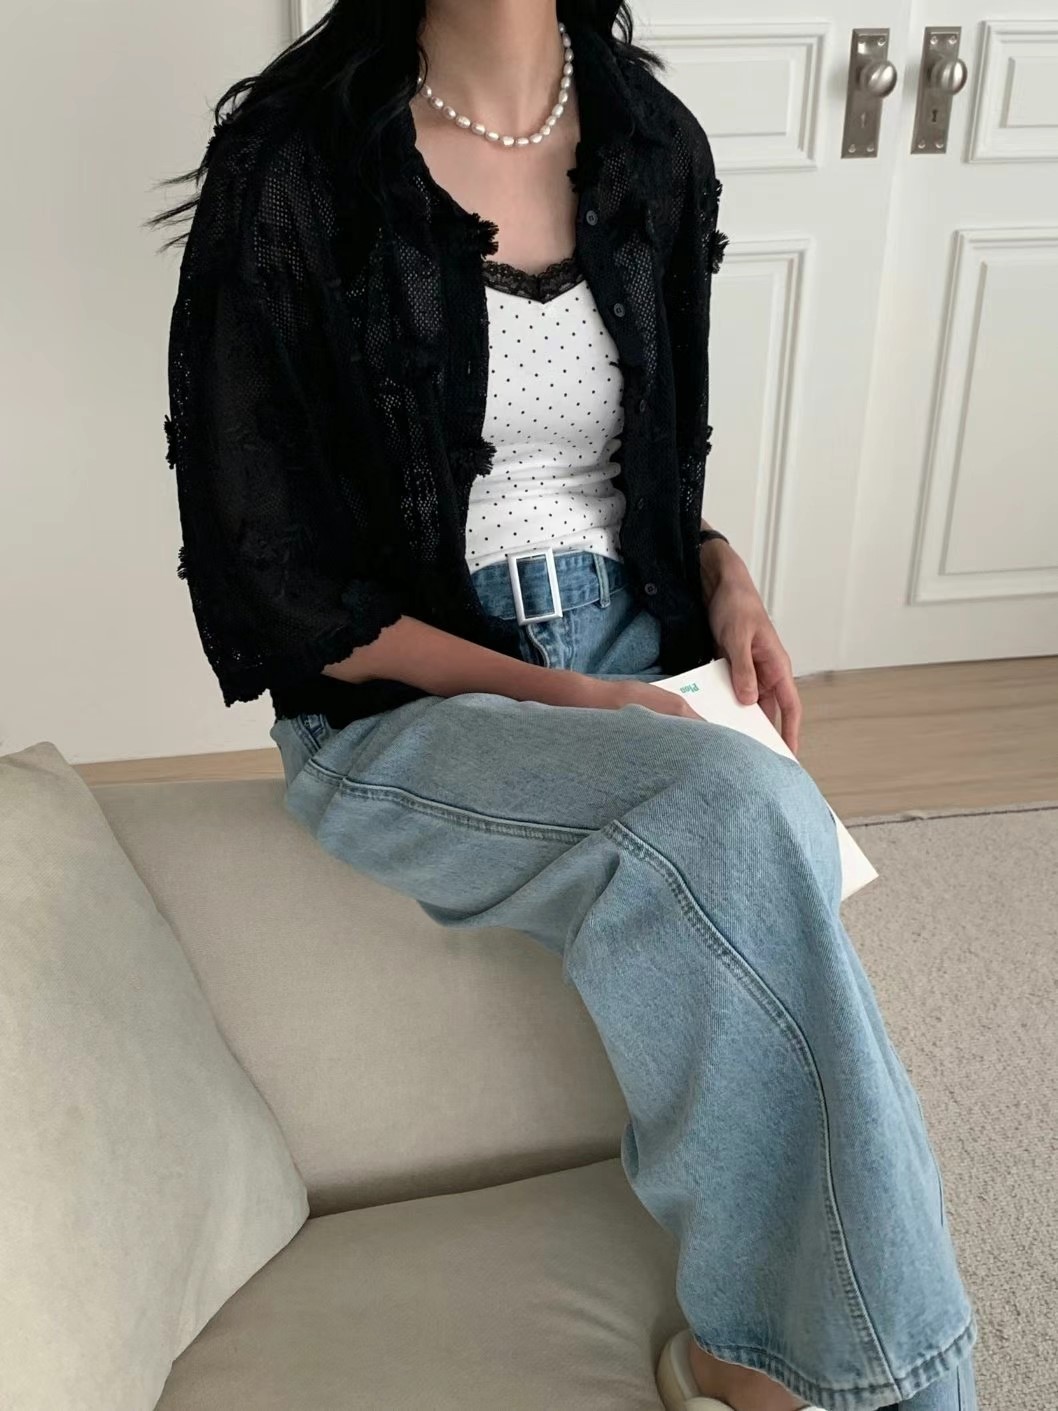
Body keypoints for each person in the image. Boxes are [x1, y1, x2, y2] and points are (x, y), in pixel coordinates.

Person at [150, 3, 977, 1407]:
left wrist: (723, 575)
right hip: (401, 704)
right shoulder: (294, 167)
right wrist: (563, 695)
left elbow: (651, 471)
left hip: (637, 635)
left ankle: (777, 1355)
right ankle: (861, 1378)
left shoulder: (653, 149)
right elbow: (270, 572)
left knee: (765, 855)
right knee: (728, 808)